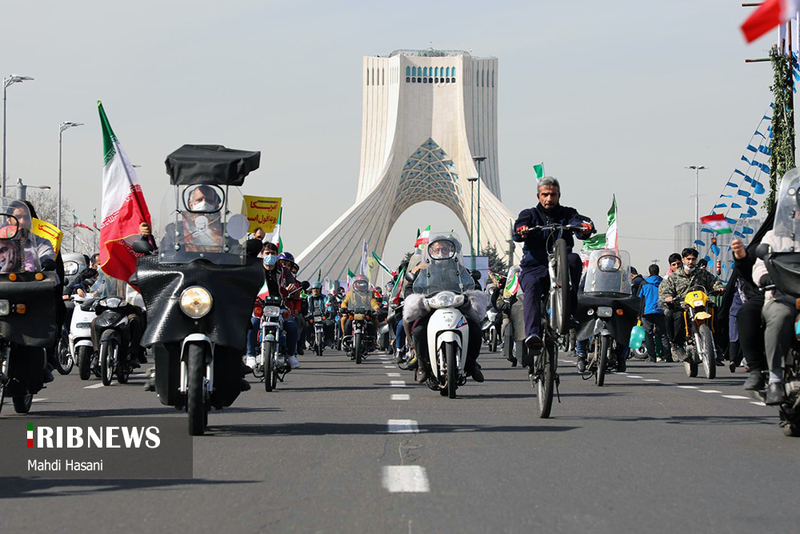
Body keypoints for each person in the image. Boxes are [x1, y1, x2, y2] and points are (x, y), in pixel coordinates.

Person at [512, 176, 594, 355]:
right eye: (545, 194)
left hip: (560, 266)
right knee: (531, 286)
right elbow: (519, 228)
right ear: (538, 196)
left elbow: (578, 222)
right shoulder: (530, 213)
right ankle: (532, 335)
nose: (549, 199)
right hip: (535, 267)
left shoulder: (567, 213)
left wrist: (584, 227)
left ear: (559, 195)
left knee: (573, 259)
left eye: (553, 194)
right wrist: (522, 230)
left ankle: (568, 314)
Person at [404, 235, 485, 383]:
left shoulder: (460, 270)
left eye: (444, 249)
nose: (441, 252)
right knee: (419, 330)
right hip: (431, 308)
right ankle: (422, 364)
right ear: (431, 252)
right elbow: (410, 287)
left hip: (457, 307)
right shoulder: (423, 270)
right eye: (437, 249)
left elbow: (473, 284)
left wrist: (471, 294)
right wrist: (415, 298)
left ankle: (472, 363)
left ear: (451, 251)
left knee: (475, 329)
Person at [658, 247, 724, 362]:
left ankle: (716, 346)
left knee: (715, 312)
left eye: (693, 259)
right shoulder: (674, 277)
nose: (691, 262)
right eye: (688, 259)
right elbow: (664, 290)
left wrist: (719, 288)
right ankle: (677, 345)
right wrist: (668, 297)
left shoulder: (702, 274)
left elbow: (714, 282)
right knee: (677, 317)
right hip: (683, 306)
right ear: (683, 260)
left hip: (701, 305)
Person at [245, 242, 300, 369]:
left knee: (291, 325)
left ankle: (291, 355)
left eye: (273, 253)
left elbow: (293, 285)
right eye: (267, 253)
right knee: (252, 324)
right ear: (262, 255)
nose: (270, 256)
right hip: (260, 305)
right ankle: (251, 355)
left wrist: (291, 288)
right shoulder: (255, 269)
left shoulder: (284, 271)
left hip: (280, 305)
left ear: (277, 255)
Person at [638, 263, 673, 363]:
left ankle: (651, 357)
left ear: (649, 272)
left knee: (648, 334)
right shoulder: (663, 282)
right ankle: (668, 356)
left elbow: (640, 299)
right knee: (663, 334)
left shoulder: (644, 283)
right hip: (660, 311)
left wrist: (639, 314)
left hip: (647, 312)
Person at [340, 274, 381, 349]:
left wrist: (377, 309)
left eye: (363, 283)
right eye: (359, 283)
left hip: (366, 313)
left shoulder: (369, 293)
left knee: (373, 323)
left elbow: (373, 302)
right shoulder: (351, 293)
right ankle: (345, 338)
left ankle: (373, 339)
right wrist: (344, 307)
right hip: (353, 313)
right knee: (347, 323)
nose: (361, 285)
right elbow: (345, 302)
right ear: (355, 284)